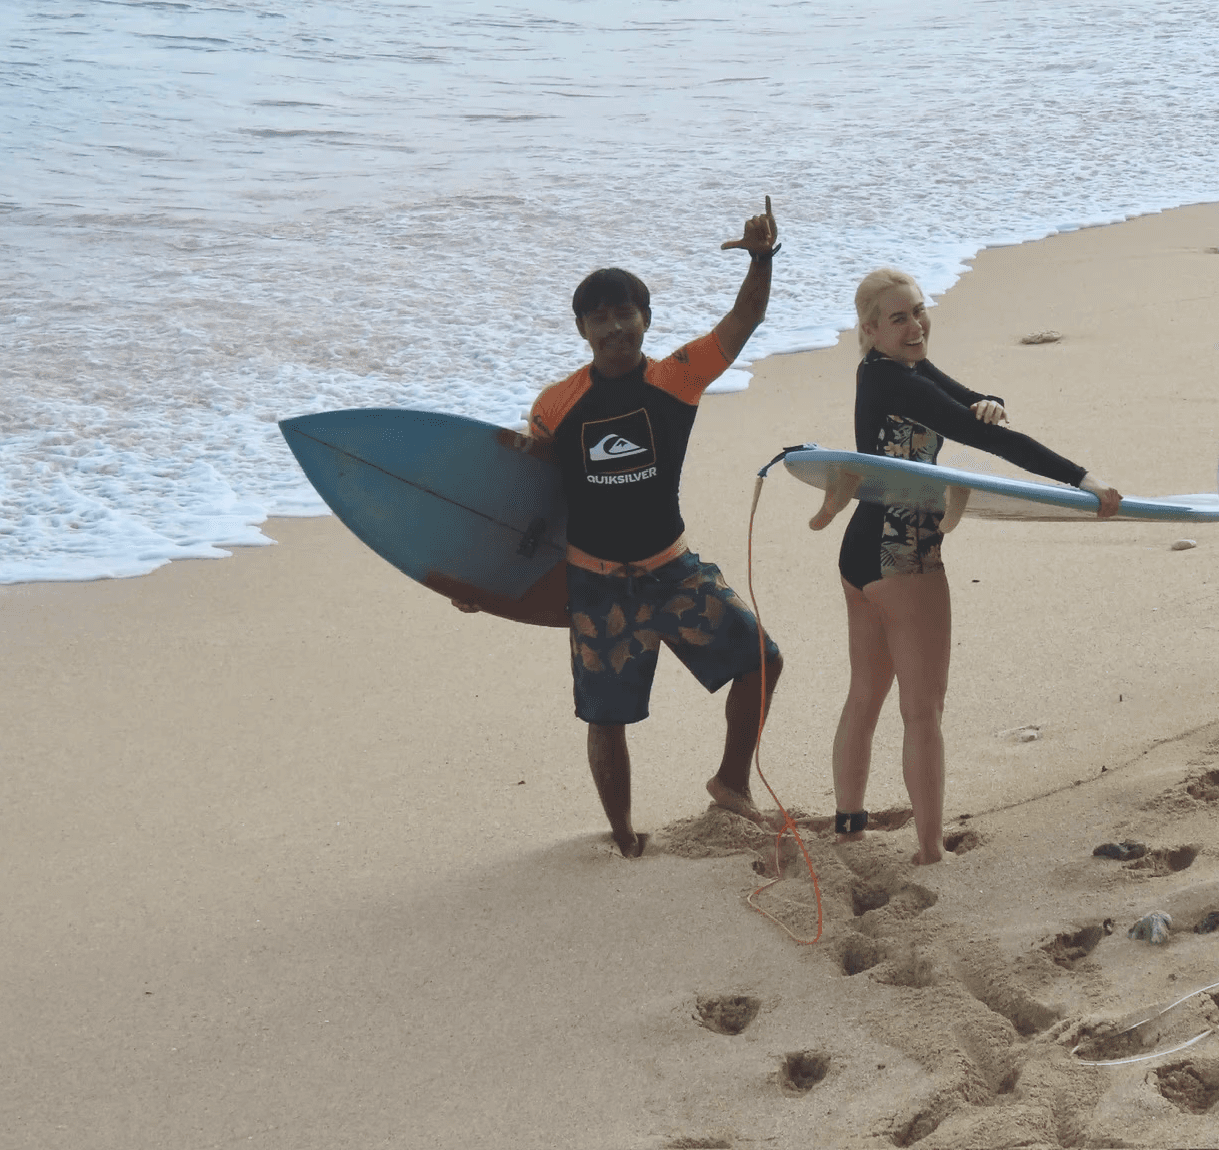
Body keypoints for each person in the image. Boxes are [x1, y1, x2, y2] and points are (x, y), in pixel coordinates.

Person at [462, 198, 784, 858]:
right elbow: (528, 505)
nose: (614, 327)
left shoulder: (676, 379)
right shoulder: (556, 406)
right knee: (605, 718)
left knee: (761, 660)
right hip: (599, 586)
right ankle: (621, 834)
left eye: (624, 313)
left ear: (645, 319)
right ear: (581, 328)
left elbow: (745, 318)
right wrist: (486, 582)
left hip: (673, 569)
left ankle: (730, 782)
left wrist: (759, 258)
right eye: (599, 317)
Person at [810, 268, 1121, 865]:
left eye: (920, 311)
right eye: (898, 318)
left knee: (866, 695)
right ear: (870, 328)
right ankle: (930, 852)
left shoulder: (897, 369)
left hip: (859, 554)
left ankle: (849, 827)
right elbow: (994, 442)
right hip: (905, 557)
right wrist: (1085, 480)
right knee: (922, 711)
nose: (915, 324)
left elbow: (972, 406)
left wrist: (988, 404)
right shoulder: (898, 380)